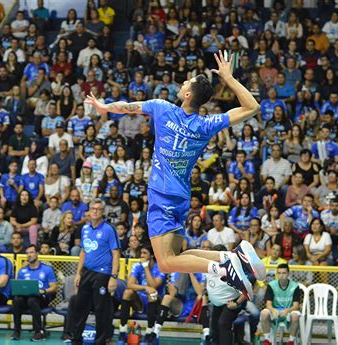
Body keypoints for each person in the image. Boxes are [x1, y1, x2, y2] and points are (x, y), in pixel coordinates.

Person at [85, 50, 264, 300]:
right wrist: (228, 78)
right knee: (179, 256)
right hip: (179, 197)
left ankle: (223, 269)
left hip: (161, 195)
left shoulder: (161, 107)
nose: (182, 84)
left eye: (186, 83)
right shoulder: (206, 124)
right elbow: (252, 106)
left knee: (167, 263)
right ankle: (230, 258)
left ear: (188, 95)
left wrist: (103, 106)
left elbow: (127, 108)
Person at [68, 199, 120, 345]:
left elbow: (116, 253)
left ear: (102, 212)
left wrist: (113, 277)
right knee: (80, 307)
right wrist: (78, 273)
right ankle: (76, 339)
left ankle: (100, 341)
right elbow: (83, 252)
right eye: (93, 208)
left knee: (100, 309)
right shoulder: (85, 229)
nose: (95, 211)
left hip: (103, 273)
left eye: (98, 209)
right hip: (87, 272)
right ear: (89, 211)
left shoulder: (109, 229)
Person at [118, 244, 166, 343]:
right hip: (141, 301)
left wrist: (145, 267)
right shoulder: (137, 265)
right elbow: (129, 284)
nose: (141, 255)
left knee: (152, 293)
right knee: (127, 292)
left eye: (145, 253)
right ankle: (122, 331)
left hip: (156, 302)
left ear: (152, 255)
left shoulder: (160, 267)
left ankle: (149, 332)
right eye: (141, 253)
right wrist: (145, 287)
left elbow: (153, 286)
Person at [11, 244, 58, 341]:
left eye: (31, 252)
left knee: (32, 300)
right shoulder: (22, 271)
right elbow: (18, 287)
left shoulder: (47, 269)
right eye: (27, 253)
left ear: (37, 254)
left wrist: (44, 291)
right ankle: (16, 331)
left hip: (42, 298)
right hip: (26, 298)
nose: (29, 255)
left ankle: (39, 332)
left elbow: (54, 287)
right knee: (17, 300)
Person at [259, 264, 301, 345]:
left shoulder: (295, 286)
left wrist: (287, 310)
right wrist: (273, 310)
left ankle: (291, 341)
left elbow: (296, 306)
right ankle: (267, 340)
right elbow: (268, 304)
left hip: (289, 310)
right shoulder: (271, 285)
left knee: (295, 316)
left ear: (288, 273)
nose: (281, 275)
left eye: (284, 273)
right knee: (264, 313)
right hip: (275, 310)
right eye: (279, 273)